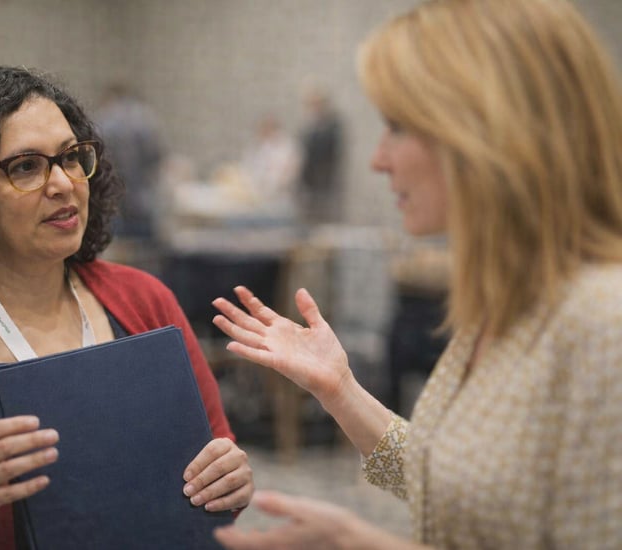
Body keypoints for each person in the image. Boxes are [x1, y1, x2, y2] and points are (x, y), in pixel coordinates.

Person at [210, 0, 622, 548]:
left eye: (398, 128)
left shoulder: (603, 325)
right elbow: (462, 489)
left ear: (489, 132)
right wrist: (340, 388)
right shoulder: (510, 304)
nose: (379, 160)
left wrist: (361, 542)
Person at [0, 66, 253, 550]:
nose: (64, 183)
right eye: (26, 167)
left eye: (71, 157)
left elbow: (216, 455)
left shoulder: (144, 300)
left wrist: (229, 479)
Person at [94, 82, 164, 240]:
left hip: (114, 199)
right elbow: (156, 157)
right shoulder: (146, 118)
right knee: (144, 245)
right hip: (143, 199)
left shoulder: (105, 119)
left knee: (118, 243)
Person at [298, 87, 343, 224]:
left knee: (324, 216)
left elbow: (328, 149)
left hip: (324, 178)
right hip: (309, 180)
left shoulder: (331, 124)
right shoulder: (310, 125)